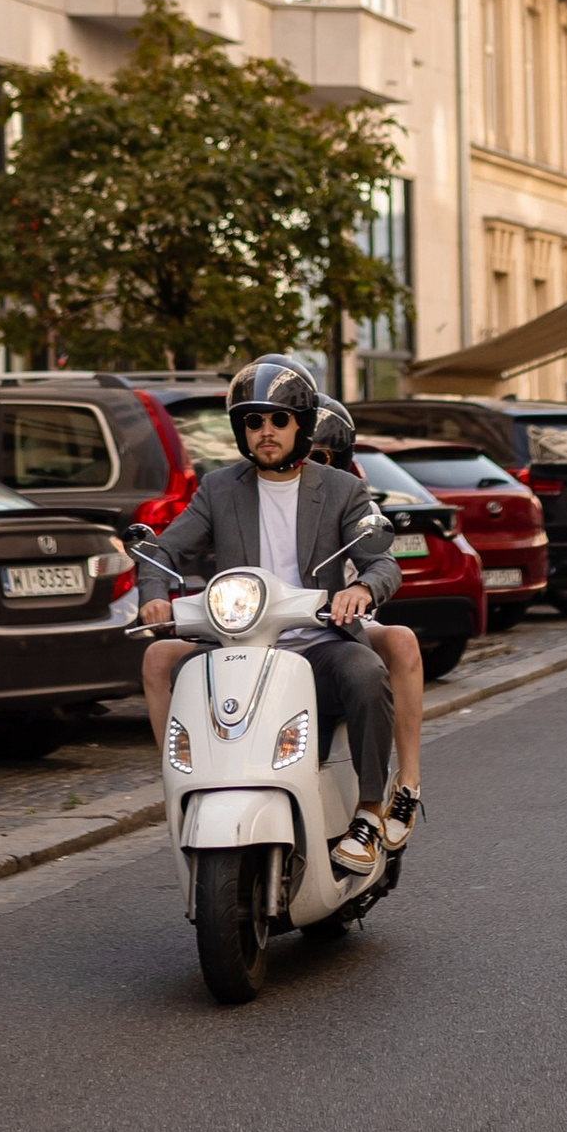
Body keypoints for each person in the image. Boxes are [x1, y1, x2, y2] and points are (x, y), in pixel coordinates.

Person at [137, 353, 399, 872]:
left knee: (366, 672)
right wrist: (153, 590)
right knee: (179, 675)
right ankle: (187, 790)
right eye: (253, 422)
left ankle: (369, 813)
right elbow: (163, 550)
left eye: (279, 419)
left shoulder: (342, 489)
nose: (266, 432)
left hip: (318, 644)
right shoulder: (218, 488)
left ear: (301, 425)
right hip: (237, 645)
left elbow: (382, 561)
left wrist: (363, 590)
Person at [306, 399, 424, 852]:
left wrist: (358, 591)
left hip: (340, 624)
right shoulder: (247, 490)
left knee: (400, 641)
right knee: (163, 657)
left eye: (318, 456)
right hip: (264, 627)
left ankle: (406, 785)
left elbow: (377, 563)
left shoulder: (349, 495)